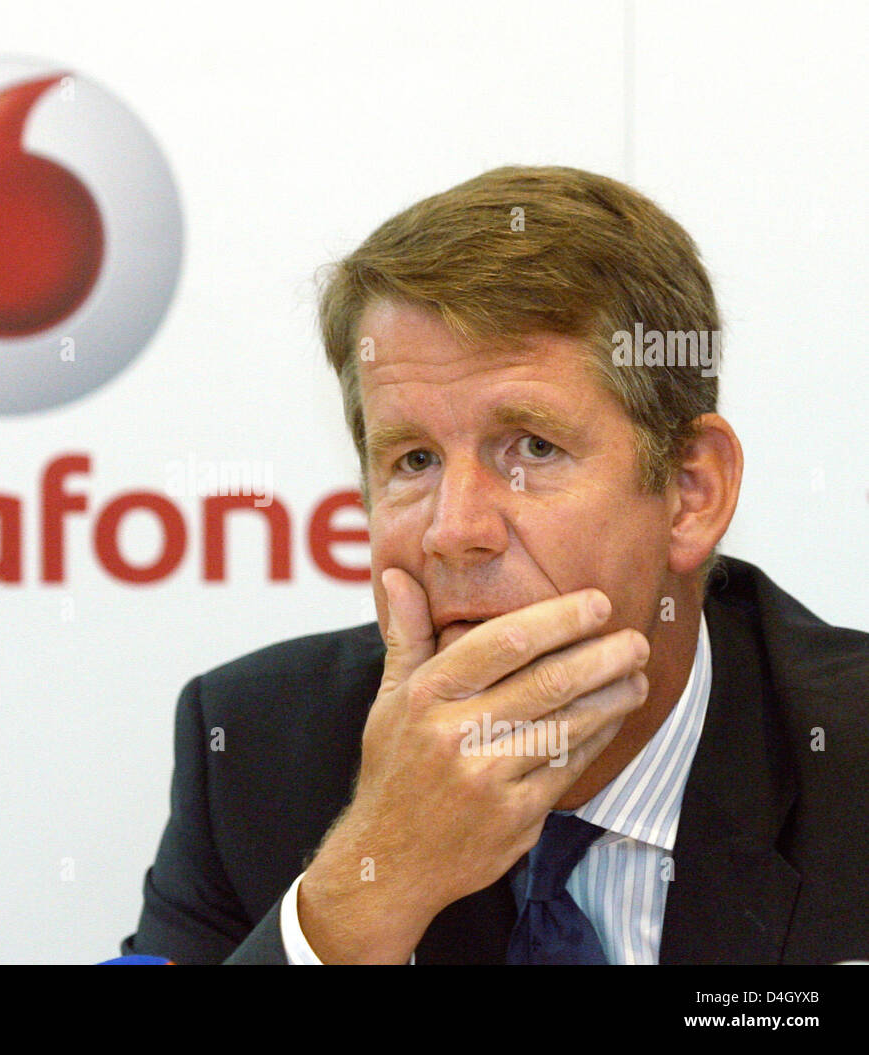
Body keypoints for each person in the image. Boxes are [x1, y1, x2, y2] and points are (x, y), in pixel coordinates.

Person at [120, 166, 869, 964]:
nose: (454, 530)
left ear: (690, 492)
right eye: (412, 460)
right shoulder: (257, 753)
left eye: (533, 448)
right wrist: (368, 886)